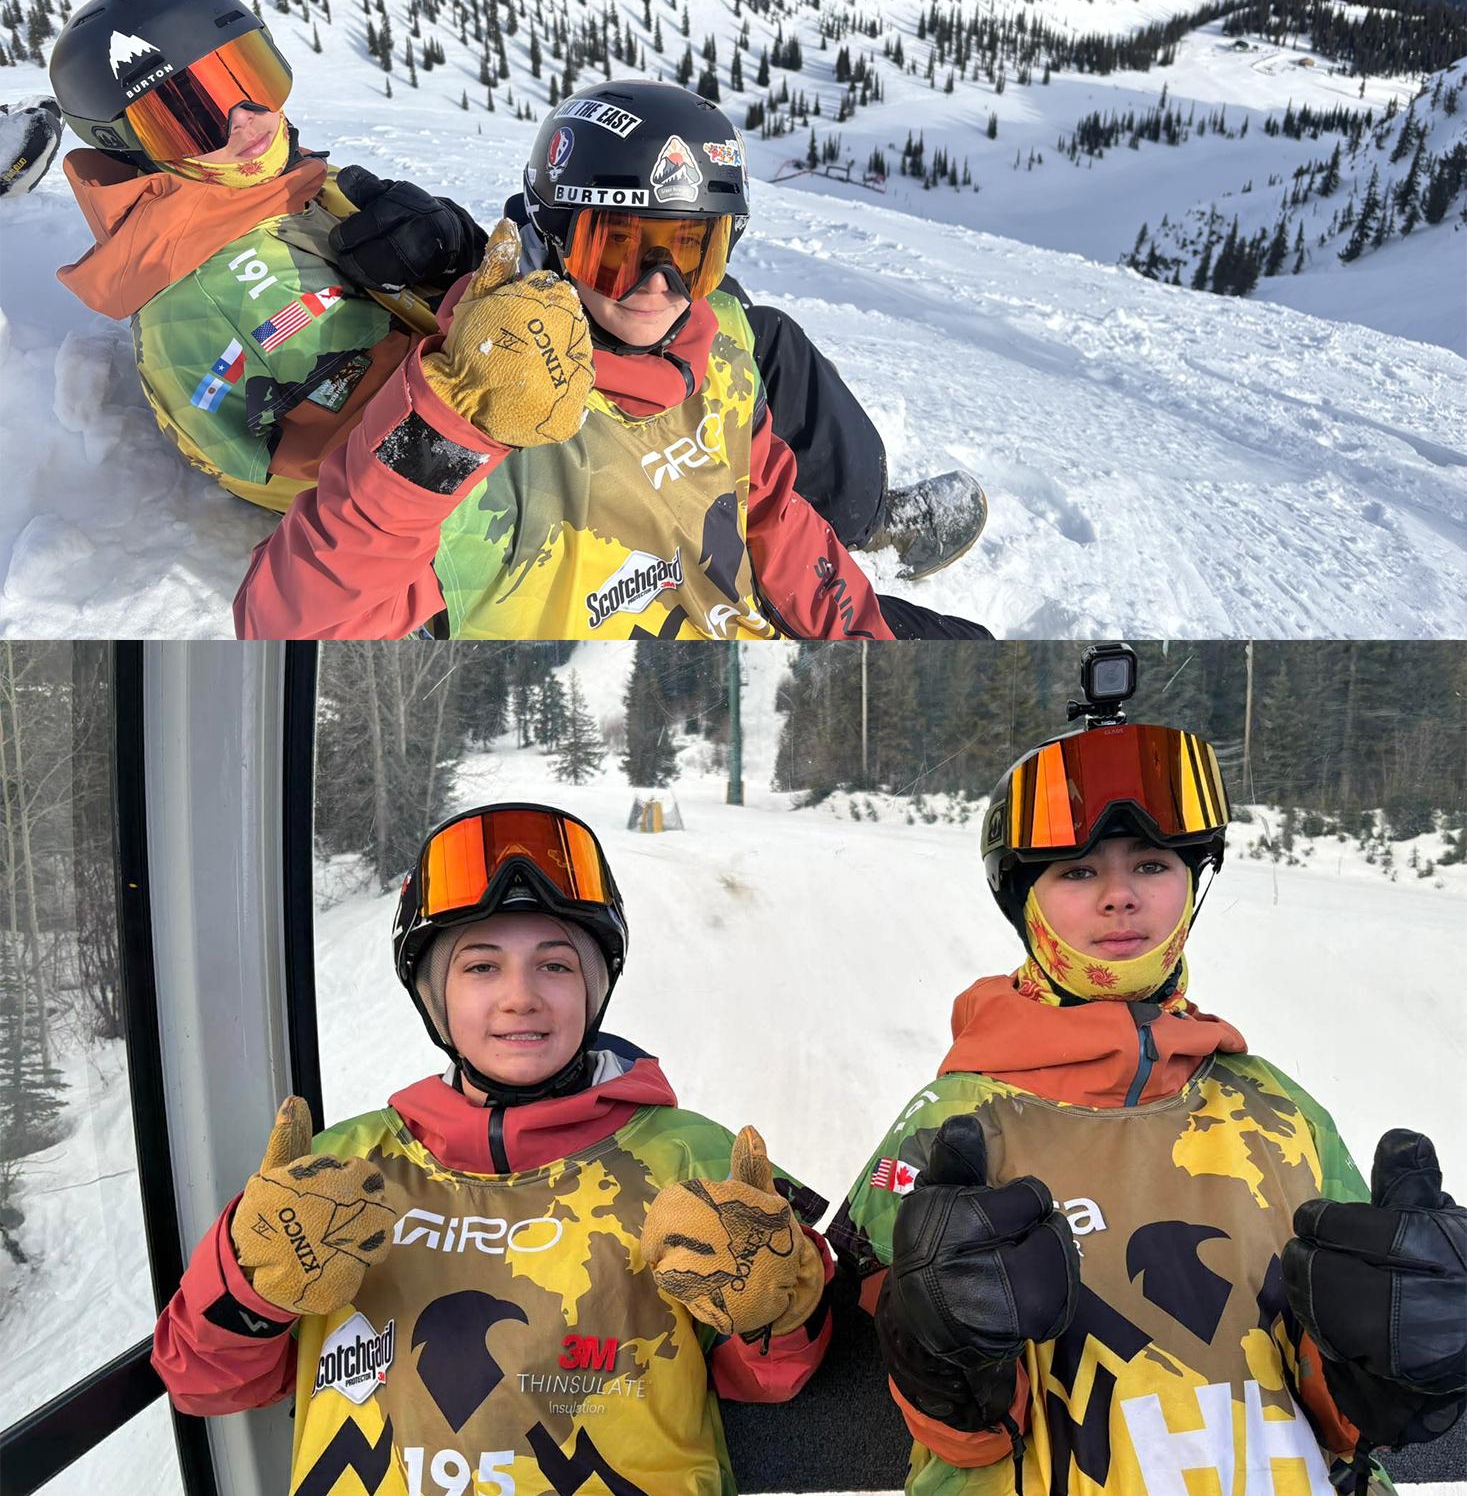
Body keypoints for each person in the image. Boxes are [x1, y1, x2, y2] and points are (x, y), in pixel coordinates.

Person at [47, 0, 986, 573]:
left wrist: (465, 259)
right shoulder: (205, 293)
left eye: (252, 76)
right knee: (722, 338)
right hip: (471, 473)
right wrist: (484, 309)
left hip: (482, 382)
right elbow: (353, 452)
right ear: (131, 143)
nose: (251, 117)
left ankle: (835, 520)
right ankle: (815, 539)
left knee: (715, 312)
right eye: (195, 109)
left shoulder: (252, 187)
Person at [829, 649, 1466, 1496]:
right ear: (1025, 901)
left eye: (1153, 864)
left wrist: (1400, 1368)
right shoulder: (951, 1125)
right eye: (1078, 871)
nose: (1118, 896)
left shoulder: (1272, 1107)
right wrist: (944, 1358)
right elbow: (898, 1389)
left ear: (1192, 884)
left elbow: (1336, 1413)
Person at [153, 802, 833, 1495]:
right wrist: (247, 1279)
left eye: (556, 966)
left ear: (594, 989)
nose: (520, 997)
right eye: (480, 967)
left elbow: (775, 1382)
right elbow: (203, 1382)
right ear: (434, 995)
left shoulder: (688, 1159)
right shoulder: (342, 1168)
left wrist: (774, 1308)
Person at [233, 77, 990, 639]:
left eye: (691, 254)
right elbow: (292, 623)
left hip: (745, 609)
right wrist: (446, 429)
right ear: (552, 239)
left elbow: (771, 513)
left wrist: (859, 635)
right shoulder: (491, 401)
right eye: (616, 249)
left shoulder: (717, 350)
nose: (655, 290)